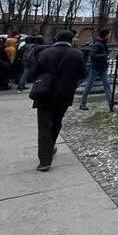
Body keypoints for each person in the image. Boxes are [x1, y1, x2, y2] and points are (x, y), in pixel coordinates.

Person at [30, 30, 87, 172]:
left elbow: (34, 72)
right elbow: (83, 74)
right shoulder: (76, 54)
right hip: (65, 93)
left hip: (44, 92)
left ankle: (44, 161)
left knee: (44, 126)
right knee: (56, 122)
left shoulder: (45, 53)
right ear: (71, 40)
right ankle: (50, 146)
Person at [79, 29, 118, 110]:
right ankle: (82, 103)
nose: (109, 36)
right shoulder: (98, 44)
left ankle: (110, 102)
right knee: (89, 85)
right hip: (96, 68)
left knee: (106, 85)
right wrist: (104, 55)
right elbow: (93, 55)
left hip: (102, 67)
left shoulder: (103, 43)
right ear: (105, 35)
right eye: (108, 34)